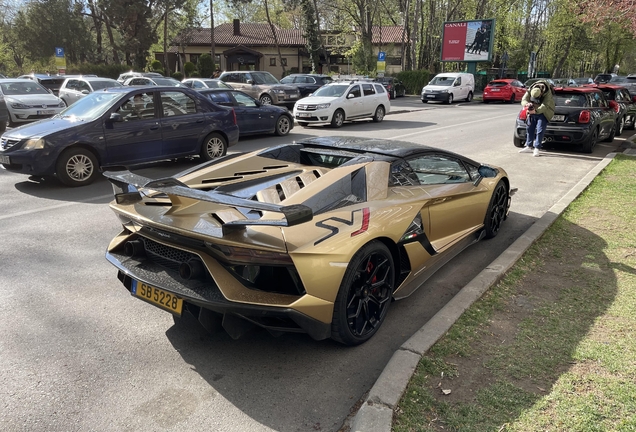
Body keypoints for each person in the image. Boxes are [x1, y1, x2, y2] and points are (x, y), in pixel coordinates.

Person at [519, 79, 555, 157]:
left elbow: (545, 106)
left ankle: (537, 148)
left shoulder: (547, 93)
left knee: (540, 130)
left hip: (544, 112)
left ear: (541, 93)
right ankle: (529, 146)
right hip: (533, 111)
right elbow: (523, 100)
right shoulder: (530, 89)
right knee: (529, 128)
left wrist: (536, 111)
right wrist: (527, 104)